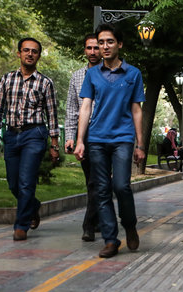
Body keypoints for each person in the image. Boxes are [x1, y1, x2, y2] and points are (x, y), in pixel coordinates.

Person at [73, 24, 145, 258]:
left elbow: (136, 110)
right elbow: (85, 108)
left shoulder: (133, 73)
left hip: (123, 138)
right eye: (101, 42)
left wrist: (140, 144)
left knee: (121, 186)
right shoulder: (92, 74)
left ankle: (130, 223)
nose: (104, 46)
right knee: (101, 190)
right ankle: (110, 239)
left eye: (109, 42)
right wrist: (80, 140)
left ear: (119, 44)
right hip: (96, 140)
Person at [0, 37, 60, 241]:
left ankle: (21, 226)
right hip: (11, 135)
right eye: (26, 50)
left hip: (34, 135)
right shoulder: (7, 79)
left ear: (39, 55)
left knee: (27, 182)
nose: (30, 54)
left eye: (34, 51)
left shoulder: (45, 83)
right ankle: (33, 206)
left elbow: (52, 115)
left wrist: (54, 145)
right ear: (18, 53)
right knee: (13, 183)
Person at [65, 34, 101, 242]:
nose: (93, 52)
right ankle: (97, 219)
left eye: (96, 47)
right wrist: (71, 137)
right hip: (84, 134)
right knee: (92, 180)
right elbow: (72, 109)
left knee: (97, 181)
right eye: (89, 48)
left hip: (106, 134)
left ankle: (89, 224)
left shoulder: (111, 74)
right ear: (84, 50)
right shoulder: (77, 76)